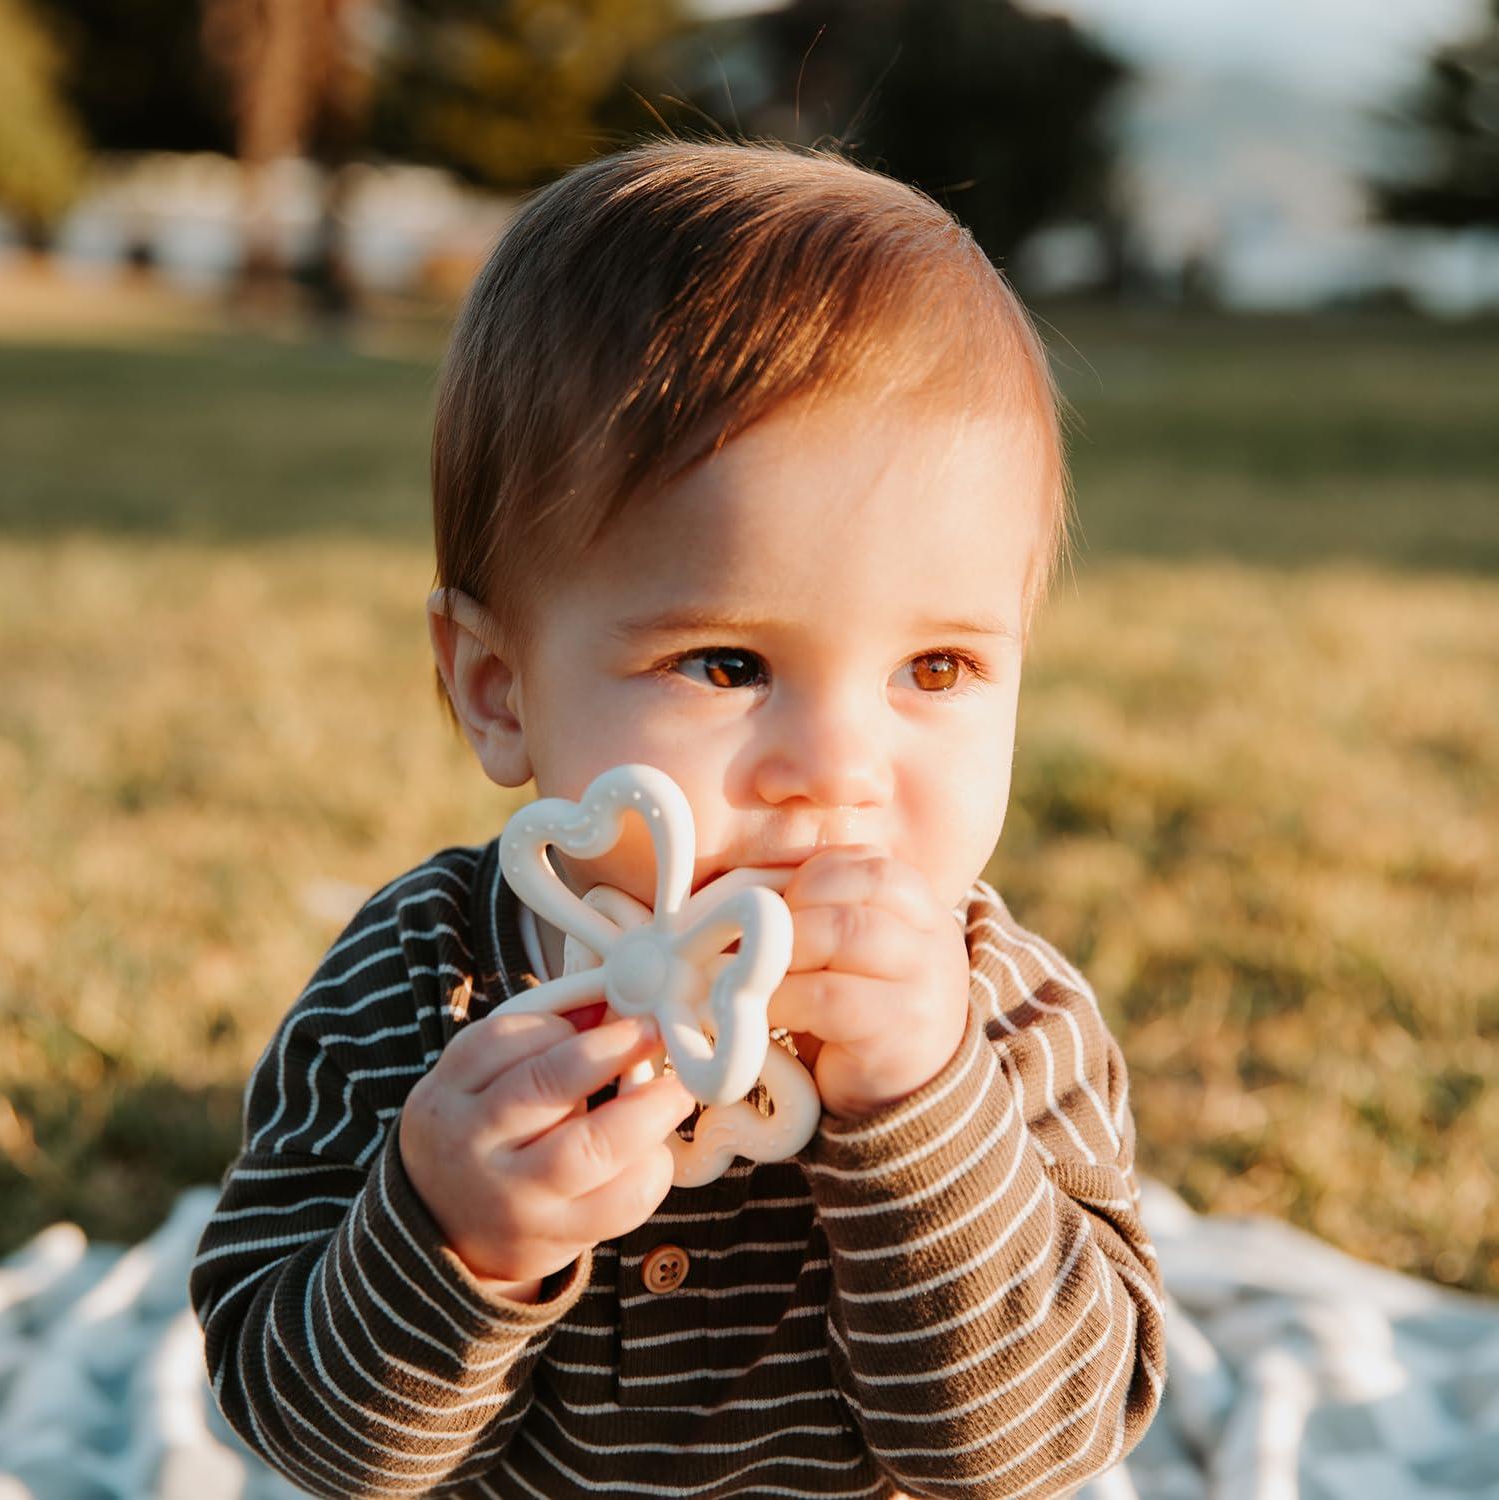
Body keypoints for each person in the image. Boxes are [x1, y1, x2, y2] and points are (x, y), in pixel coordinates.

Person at [191, 138, 1165, 1498]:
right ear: (498, 690)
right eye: (728, 665)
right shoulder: (422, 988)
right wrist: (452, 1238)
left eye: (933, 669)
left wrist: (921, 1111)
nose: (837, 768)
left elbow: (1043, 1448)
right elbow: (297, 1430)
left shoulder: (1004, 1020)